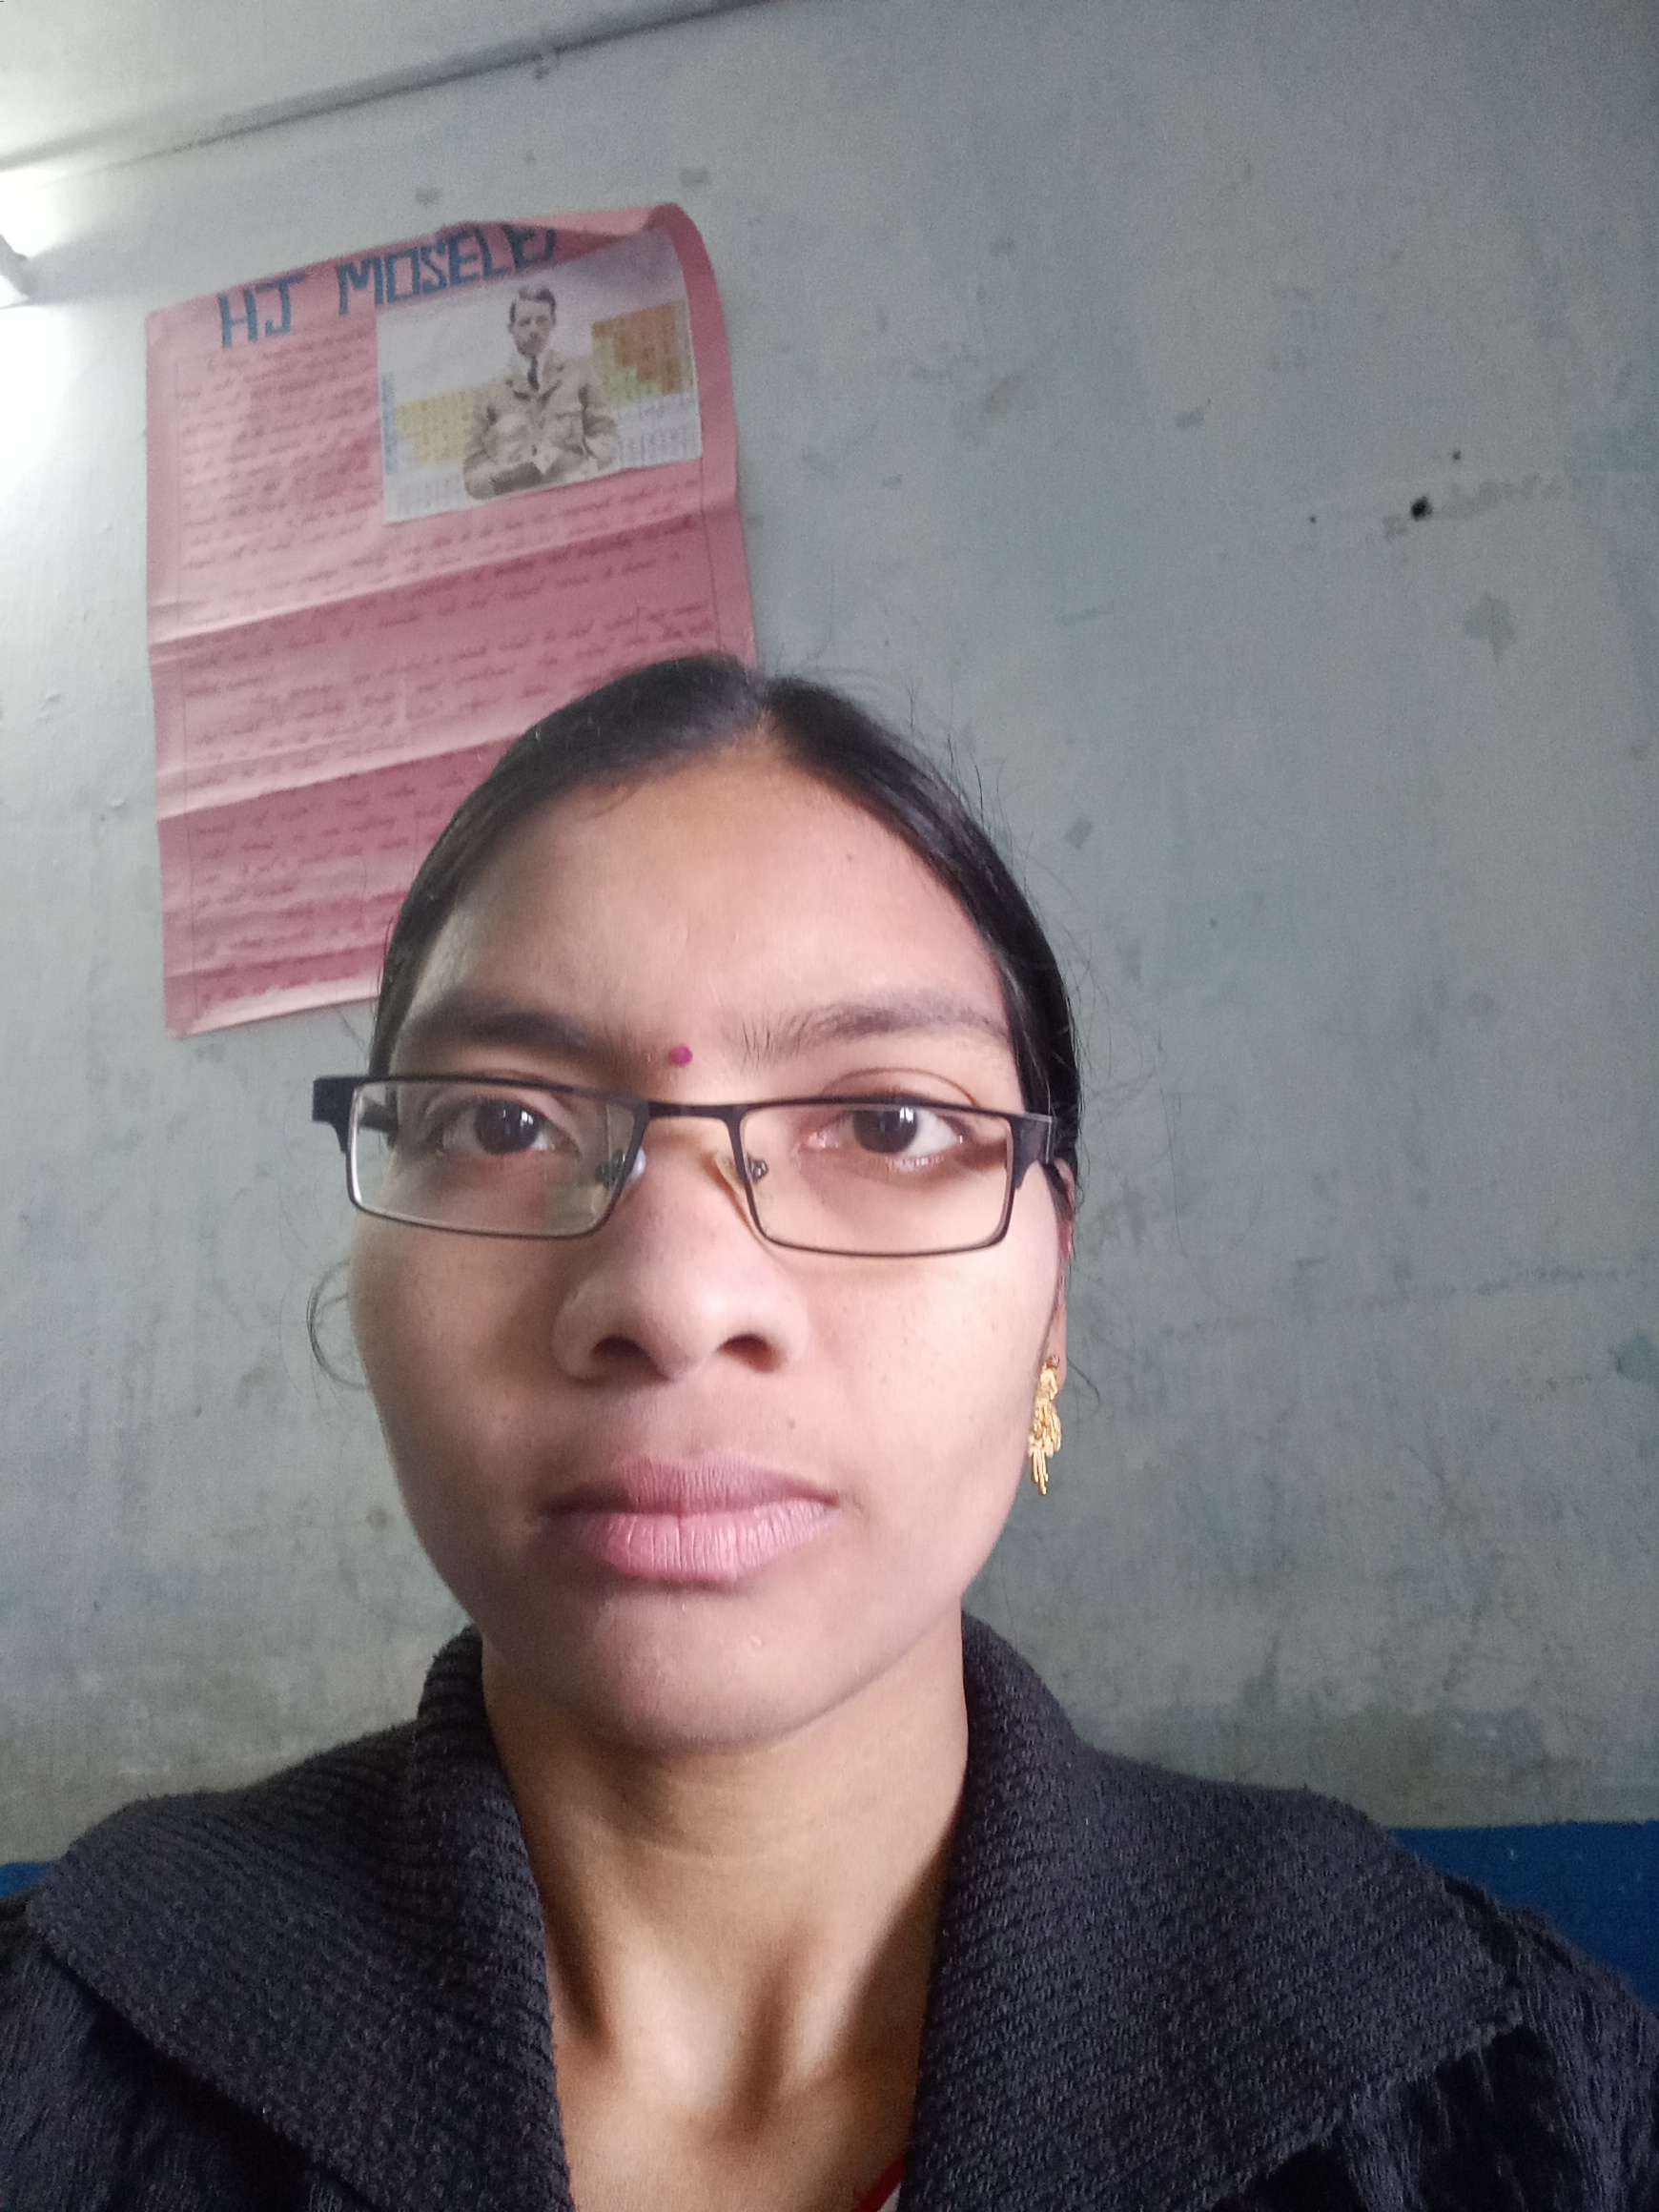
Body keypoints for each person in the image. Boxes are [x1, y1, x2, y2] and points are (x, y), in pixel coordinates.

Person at [3, 655, 1655, 2211]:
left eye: (887, 1119)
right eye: (502, 1120)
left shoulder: (1497, 2095)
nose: (675, 1292)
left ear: (1054, 1293)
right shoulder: (69, 2057)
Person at [462, 282, 619, 501]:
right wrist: (502, 478)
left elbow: (607, 436)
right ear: (511, 328)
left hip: (576, 499)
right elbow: (472, 471)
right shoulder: (490, 394)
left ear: (553, 322)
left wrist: (577, 458)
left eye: (542, 320)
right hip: (521, 509)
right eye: (525, 322)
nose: (534, 330)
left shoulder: (579, 373)